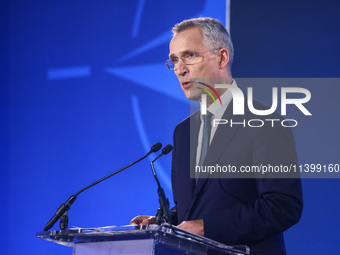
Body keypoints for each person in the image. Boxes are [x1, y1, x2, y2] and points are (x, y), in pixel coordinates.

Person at [130, 17, 303, 255]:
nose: (180, 69)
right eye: (174, 60)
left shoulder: (264, 121)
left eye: (190, 55)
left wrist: (207, 227)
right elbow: (194, 208)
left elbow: (282, 206)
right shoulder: (184, 131)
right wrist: (162, 223)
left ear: (222, 57)